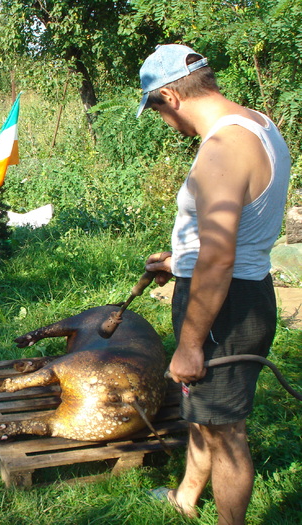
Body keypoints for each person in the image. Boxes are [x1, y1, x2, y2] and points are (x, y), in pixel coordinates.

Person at [139, 44, 291, 525]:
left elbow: (221, 257)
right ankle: (186, 498)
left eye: (159, 110)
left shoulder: (223, 148)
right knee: (204, 412)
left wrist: (187, 346)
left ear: (171, 96)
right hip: (238, 289)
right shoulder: (257, 124)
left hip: (225, 306)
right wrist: (177, 259)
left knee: (226, 432)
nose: (165, 122)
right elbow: (239, 229)